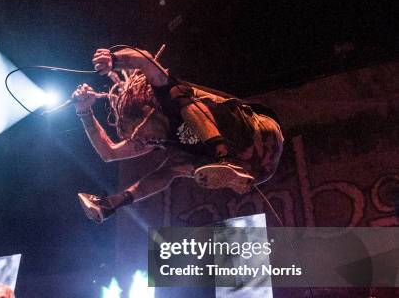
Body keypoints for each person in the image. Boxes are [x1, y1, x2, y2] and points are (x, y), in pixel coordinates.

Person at [74, 47, 284, 222]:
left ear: (148, 113)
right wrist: (84, 111)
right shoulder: (154, 139)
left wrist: (114, 59)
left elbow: (145, 60)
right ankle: (111, 204)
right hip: (255, 171)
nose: (142, 142)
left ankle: (224, 157)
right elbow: (109, 153)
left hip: (259, 134)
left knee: (179, 97)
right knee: (170, 168)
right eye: (137, 140)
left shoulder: (164, 94)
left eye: (139, 133)